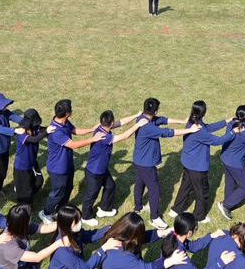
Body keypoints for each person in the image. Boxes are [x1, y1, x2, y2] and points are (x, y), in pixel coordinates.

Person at [132, 98, 196, 229]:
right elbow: (168, 132)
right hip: (146, 163)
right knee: (154, 189)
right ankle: (154, 217)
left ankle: (138, 207)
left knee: (140, 182)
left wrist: (182, 121)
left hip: (139, 159)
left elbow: (163, 120)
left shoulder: (142, 118)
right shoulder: (148, 127)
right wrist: (189, 130)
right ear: (155, 111)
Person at [40, 99, 104, 225]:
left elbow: (74, 130)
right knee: (58, 193)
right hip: (57, 168)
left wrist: (91, 129)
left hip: (67, 164)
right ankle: (46, 213)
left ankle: (60, 211)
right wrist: (93, 139)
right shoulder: (56, 131)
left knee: (68, 188)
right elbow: (73, 145)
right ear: (68, 113)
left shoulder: (64, 122)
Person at [169, 101, 230, 223]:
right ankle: (199, 216)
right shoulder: (200, 131)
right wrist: (233, 132)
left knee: (185, 186)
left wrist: (225, 122)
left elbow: (208, 127)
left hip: (188, 162)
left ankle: (176, 209)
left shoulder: (192, 122)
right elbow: (218, 140)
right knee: (202, 192)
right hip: (197, 167)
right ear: (204, 112)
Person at [81, 110, 141, 226]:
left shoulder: (100, 127)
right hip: (95, 171)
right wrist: (138, 124)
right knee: (91, 194)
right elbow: (125, 136)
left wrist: (136, 115)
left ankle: (104, 209)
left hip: (101, 169)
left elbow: (121, 122)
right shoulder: (105, 137)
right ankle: (85, 216)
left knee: (110, 186)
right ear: (111, 123)